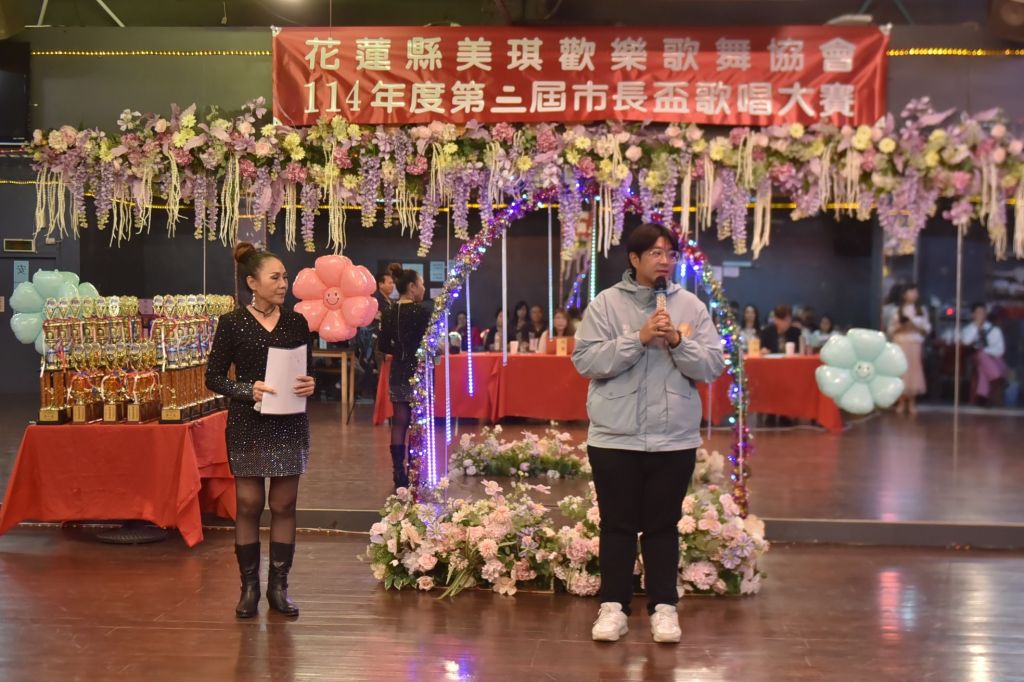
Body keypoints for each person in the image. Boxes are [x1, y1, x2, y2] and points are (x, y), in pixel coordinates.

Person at [573, 223, 725, 644]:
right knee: (617, 526)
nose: (664, 260)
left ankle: (664, 608)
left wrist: (677, 340)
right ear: (634, 259)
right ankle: (613, 608)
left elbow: (713, 366)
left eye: (670, 254)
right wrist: (637, 339)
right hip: (615, 436)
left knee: (663, 526)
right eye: (655, 253)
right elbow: (585, 361)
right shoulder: (606, 304)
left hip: (673, 438)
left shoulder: (690, 306)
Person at [206, 242, 315, 619]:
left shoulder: (297, 323)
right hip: (248, 423)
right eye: (275, 277)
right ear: (252, 283)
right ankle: (249, 587)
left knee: (284, 505)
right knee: (249, 505)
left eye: (285, 277)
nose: (283, 284)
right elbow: (213, 377)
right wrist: (245, 390)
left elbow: (305, 372)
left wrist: (311, 384)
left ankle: (278, 588)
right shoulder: (232, 323)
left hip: (289, 422)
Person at [379, 268, 430, 489]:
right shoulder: (422, 312)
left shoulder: (389, 312)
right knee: (417, 422)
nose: (424, 288)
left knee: (399, 421)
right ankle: (414, 471)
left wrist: (398, 350)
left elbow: (383, 345)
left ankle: (397, 471)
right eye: (421, 284)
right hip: (418, 371)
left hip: (398, 370)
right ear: (412, 287)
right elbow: (429, 345)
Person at [887, 283, 930, 415]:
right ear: (904, 294)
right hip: (900, 342)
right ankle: (901, 401)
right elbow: (891, 329)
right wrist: (901, 327)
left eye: (915, 292)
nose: (914, 295)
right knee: (901, 371)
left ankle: (912, 401)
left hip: (915, 342)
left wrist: (916, 327)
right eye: (911, 292)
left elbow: (927, 328)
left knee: (914, 371)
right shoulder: (897, 310)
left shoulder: (921, 310)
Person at [962, 303, 1008, 405]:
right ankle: (995, 377)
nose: (981, 315)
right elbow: (966, 341)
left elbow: (1000, 349)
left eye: (983, 313)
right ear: (973, 315)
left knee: (982, 364)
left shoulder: (994, 329)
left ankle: (982, 395)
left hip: (993, 358)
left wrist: (986, 351)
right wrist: (976, 327)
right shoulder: (968, 329)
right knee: (981, 356)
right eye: (978, 313)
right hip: (974, 358)